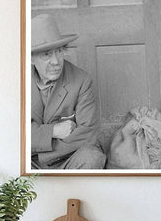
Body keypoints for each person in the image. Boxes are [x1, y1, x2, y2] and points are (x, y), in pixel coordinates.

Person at [31, 13, 106, 169]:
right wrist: (53, 131)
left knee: (93, 157)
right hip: (29, 161)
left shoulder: (81, 80)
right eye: (47, 54)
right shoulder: (17, 83)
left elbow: (88, 133)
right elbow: (13, 133)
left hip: (69, 157)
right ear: (31, 58)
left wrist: (42, 152)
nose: (56, 62)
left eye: (59, 51)